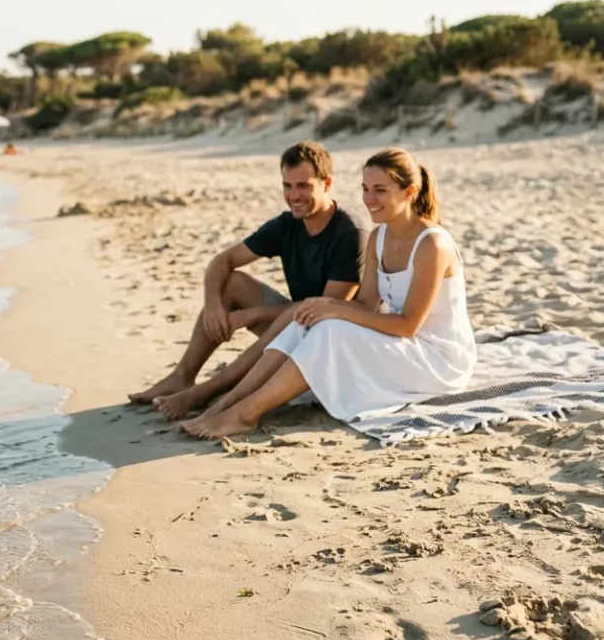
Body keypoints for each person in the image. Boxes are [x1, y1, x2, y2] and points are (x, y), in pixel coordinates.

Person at [182, 148, 476, 439]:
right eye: (365, 189)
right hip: (402, 346)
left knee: (330, 328)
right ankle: (227, 402)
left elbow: (408, 325)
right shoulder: (379, 237)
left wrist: (335, 310)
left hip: (437, 359)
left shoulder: (432, 245)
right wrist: (323, 307)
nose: (369, 199)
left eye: (380, 191)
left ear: (409, 192)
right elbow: (365, 305)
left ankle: (245, 414)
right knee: (308, 319)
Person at [129, 141, 367, 419]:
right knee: (231, 284)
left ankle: (204, 393)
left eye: (303, 186)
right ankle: (182, 377)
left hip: (332, 339)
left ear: (327, 184)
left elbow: (326, 309)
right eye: (287, 186)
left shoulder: (349, 233)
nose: (294, 195)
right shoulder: (287, 223)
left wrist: (252, 315)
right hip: (295, 321)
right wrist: (215, 306)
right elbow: (222, 261)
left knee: (295, 316)